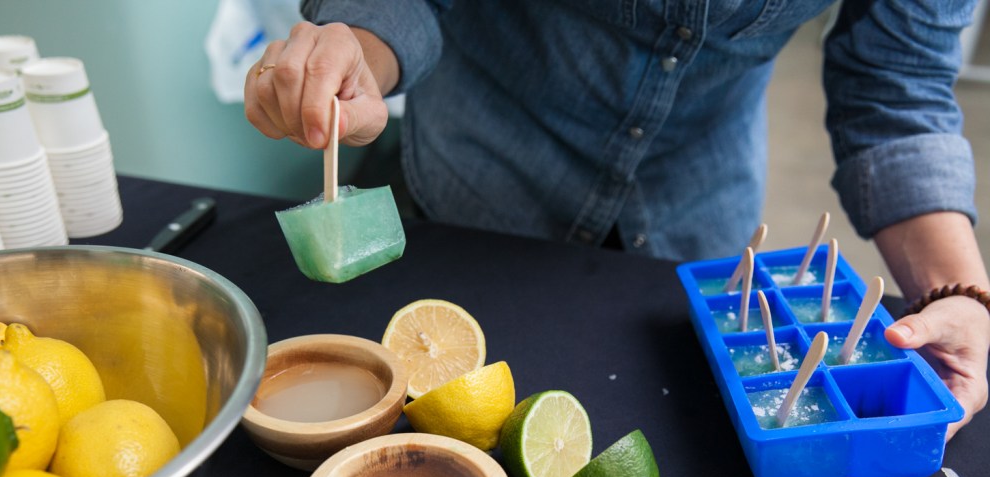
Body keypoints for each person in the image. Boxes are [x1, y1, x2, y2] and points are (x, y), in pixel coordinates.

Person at [244, 0, 990, 439]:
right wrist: (358, 52)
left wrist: (958, 294)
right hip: (482, 185)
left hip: (695, 210)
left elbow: (897, 89)